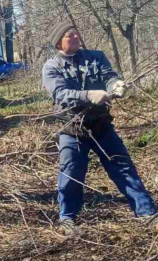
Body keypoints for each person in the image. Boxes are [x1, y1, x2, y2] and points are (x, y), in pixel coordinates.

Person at [42, 23, 156, 235]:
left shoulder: (95, 56)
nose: (76, 36)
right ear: (59, 42)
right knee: (71, 174)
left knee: (123, 167)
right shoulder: (52, 67)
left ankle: (146, 212)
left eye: (77, 32)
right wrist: (88, 95)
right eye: (69, 34)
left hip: (101, 126)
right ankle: (67, 218)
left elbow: (108, 75)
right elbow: (59, 94)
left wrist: (115, 84)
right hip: (72, 130)